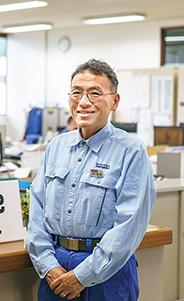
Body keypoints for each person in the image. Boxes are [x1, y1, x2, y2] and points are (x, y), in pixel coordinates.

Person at [26, 59, 156, 300]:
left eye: (95, 93)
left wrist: (82, 276)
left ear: (114, 101)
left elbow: (129, 226)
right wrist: (47, 264)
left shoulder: (131, 151)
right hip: (56, 267)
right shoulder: (56, 146)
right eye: (77, 93)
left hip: (108, 271)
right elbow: (36, 211)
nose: (84, 102)